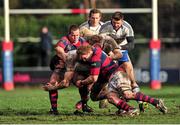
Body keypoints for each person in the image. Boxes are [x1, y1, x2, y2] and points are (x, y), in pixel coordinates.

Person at [75, 45, 167, 115]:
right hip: (111, 78)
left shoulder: (95, 57)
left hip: (117, 75)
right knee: (108, 97)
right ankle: (130, 109)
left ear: (88, 52)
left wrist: (82, 82)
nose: (83, 58)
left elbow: (93, 78)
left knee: (127, 95)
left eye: (83, 56)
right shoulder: (95, 49)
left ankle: (156, 102)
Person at [99, 11, 145, 111]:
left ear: (122, 21)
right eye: (114, 23)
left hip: (123, 52)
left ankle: (141, 102)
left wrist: (118, 47)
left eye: (118, 23)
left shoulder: (127, 27)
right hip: (110, 54)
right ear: (111, 20)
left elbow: (131, 44)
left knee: (132, 80)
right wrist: (109, 50)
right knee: (115, 82)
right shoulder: (105, 27)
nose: (115, 25)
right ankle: (122, 107)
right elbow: (100, 43)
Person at [43, 24, 91, 115]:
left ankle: (84, 105)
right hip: (62, 67)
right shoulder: (65, 39)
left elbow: (89, 52)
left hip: (76, 68)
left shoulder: (82, 41)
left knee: (82, 83)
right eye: (73, 35)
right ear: (69, 34)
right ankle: (54, 109)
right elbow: (58, 48)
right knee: (52, 82)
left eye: (77, 35)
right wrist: (66, 58)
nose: (75, 37)